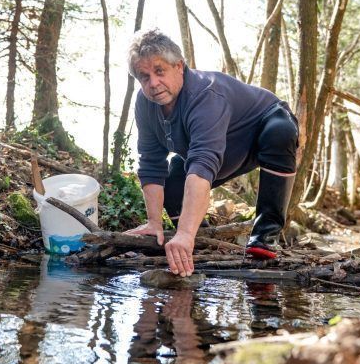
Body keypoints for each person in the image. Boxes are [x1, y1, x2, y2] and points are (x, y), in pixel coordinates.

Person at [125, 29, 299, 276]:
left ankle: (265, 236)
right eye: (144, 77)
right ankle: (199, 237)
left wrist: (183, 234)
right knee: (175, 178)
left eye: (160, 71)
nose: (153, 83)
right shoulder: (145, 104)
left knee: (280, 132)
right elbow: (151, 162)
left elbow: (202, 164)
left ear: (179, 67)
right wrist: (154, 223)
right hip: (226, 148)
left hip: (264, 128)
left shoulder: (205, 95)